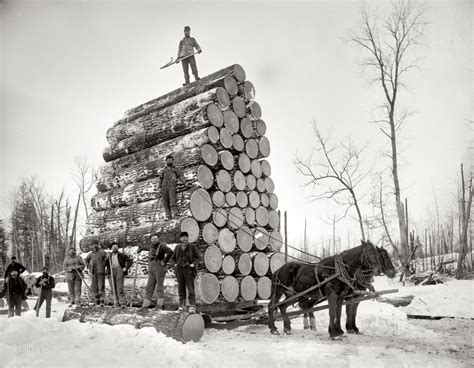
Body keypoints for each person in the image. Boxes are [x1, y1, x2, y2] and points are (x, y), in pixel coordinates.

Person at [142, 233, 173, 310]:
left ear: (158, 238)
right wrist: (140, 248)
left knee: (159, 286)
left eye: (155, 238)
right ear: (151, 240)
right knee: (149, 286)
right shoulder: (151, 246)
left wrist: (164, 261)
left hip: (159, 266)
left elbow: (170, 252)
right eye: (152, 239)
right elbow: (145, 247)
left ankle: (159, 305)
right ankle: (145, 305)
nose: (154, 240)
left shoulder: (162, 246)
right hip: (151, 266)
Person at [171, 232, 201, 313]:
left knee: (191, 289)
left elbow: (199, 258)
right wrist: (175, 264)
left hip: (189, 270)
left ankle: (192, 306)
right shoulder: (177, 247)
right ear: (180, 239)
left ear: (188, 238)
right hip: (179, 270)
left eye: (186, 237)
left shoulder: (192, 247)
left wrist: (193, 264)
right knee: (181, 289)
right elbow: (172, 258)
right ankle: (182, 305)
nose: (184, 239)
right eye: (182, 237)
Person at [159, 155, 184, 220]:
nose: (170, 161)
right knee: (165, 202)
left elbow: (180, 177)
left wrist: (185, 182)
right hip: (164, 187)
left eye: (171, 159)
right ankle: (168, 216)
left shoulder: (175, 169)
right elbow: (160, 179)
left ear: (173, 161)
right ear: (166, 161)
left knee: (172, 201)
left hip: (172, 187)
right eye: (168, 159)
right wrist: (159, 188)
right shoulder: (163, 170)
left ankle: (175, 214)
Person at [85, 241, 108, 306]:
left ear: (98, 245)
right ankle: (96, 299)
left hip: (100, 272)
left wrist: (104, 263)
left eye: (96, 245)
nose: (94, 247)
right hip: (93, 272)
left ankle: (102, 300)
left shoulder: (102, 252)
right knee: (94, 286)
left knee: (101, 286)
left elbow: (107, 256)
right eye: (93, 246)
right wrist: (88, 265)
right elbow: (86, 259)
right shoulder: (91, 254)